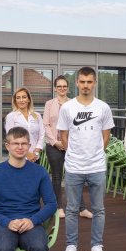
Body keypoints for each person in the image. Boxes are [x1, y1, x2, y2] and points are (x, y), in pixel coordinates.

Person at [57, 66, 114, 251]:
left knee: (99, 209)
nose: (86, 85)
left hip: (97, 166)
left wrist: (96, 152)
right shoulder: (67, 108)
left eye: (89, 82)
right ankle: (71, 246)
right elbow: (63, 135)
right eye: (82, 81)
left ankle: (96, 246)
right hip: (74, 166)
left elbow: (106, 135)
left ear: (95, 83)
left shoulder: (103, 107)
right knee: (72, 209)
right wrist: (73, 152)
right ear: (77, 83)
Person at [42, 76, 72, 218]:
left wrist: (66, 143)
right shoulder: (49, 104)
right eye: (59, 86)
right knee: (57, 177)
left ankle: (79, 206)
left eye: (64, 86)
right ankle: (58, 206)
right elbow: (46, 124)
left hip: (70, 146)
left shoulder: (73, 104)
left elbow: (75, 125)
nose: (62, 88)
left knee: (74, 176)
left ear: (68, 87)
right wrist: (55, 142)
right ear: (55, 88)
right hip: (53, 146)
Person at [5, 88, 45, 163]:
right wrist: (27, 154)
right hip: (18, 156)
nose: (21, 100)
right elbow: (10, 138)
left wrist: (36, 152)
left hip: (35, 156)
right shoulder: (11, 116)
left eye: (24, 97)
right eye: (18, 98)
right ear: (15, 101)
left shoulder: (37, 115)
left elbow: (42, 134)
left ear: (29, 99)